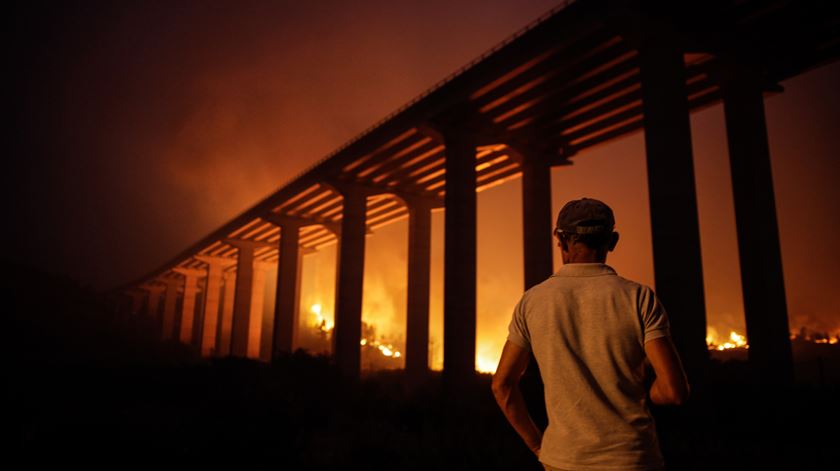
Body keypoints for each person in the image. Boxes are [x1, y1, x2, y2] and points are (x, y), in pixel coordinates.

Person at [492, 197, 689, 470]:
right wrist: (652, 392)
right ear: (613, 240)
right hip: (632, 459)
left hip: (563, 460)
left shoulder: (532, 301)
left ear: (560, 240)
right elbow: (674, 391)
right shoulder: (639, 298)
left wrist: (538, 446)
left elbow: (502, 386)